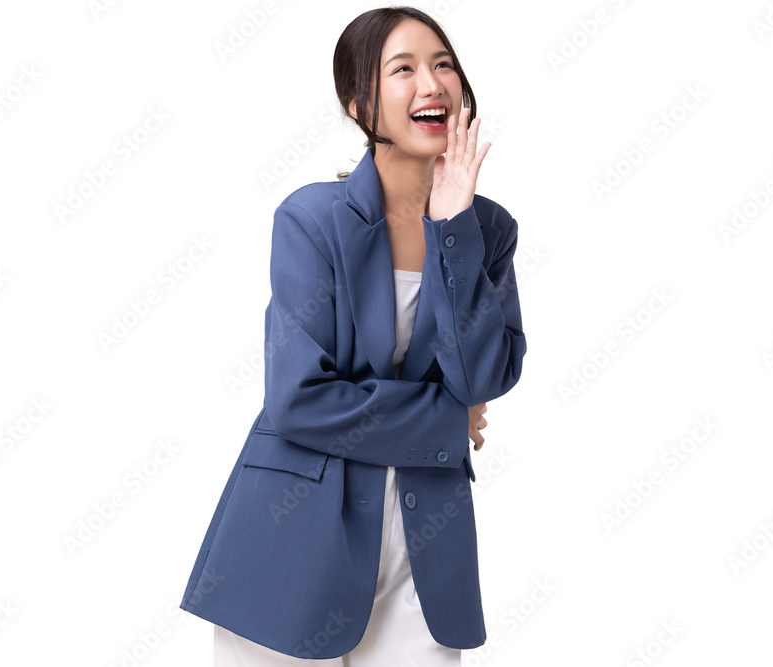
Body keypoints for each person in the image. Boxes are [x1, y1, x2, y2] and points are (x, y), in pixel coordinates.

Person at [179, 6, 527, 664]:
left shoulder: (488, 230)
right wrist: (447, 420)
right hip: (293, 535)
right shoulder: (312, 220)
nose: (432, 83)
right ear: (360, 104)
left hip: (427, 543)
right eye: (404, 69)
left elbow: (482, 376)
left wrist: (452, 228)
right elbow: (299, 400)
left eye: (443, 64)